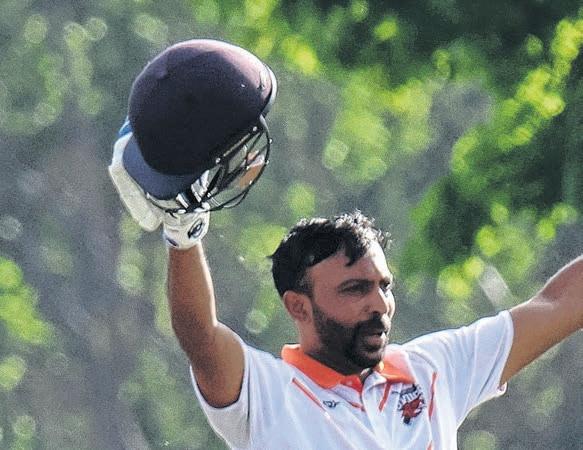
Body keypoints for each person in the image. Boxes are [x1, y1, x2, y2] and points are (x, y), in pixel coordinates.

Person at [110, 40, 583, 449]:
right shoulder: (267, 394)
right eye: (354, 289)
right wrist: (183, 235)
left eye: (384, 286)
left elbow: (558, 303)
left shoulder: (432, 370)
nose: (378, 304)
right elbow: (199, 335)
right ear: (298, 306)